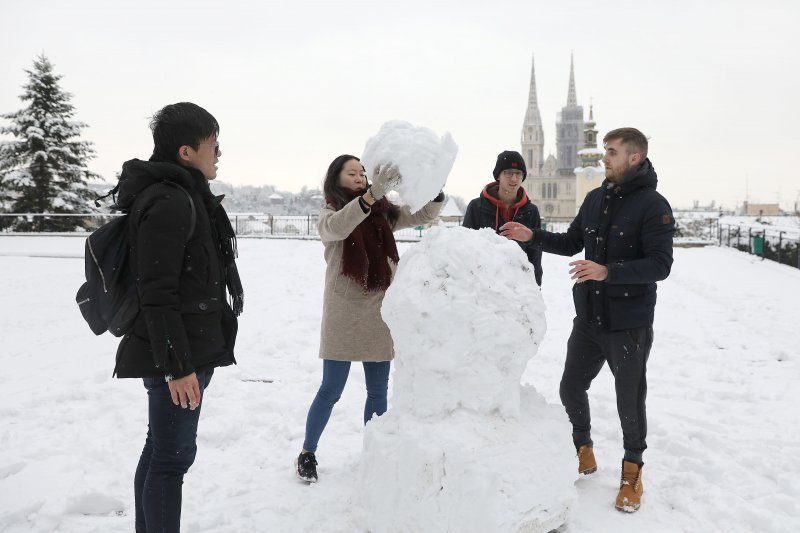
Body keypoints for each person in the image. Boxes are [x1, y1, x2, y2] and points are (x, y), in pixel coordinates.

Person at [505, 127, 673, 512]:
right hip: (589, 319)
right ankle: (583, 448)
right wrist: (533, 235)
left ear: (634, 157)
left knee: (629, 400)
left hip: (628, 323)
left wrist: (607, 271)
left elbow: (660, 265)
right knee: (570, 388)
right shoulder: (595, 198)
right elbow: (571, 242)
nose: (604, 157)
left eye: (611, 152)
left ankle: (632, 471)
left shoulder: (654, 204)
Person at [112, 102, 243, 532]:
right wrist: (178, 367)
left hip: (186, 347)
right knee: (171, 460)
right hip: (175, 354)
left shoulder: (185, 195)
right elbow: (157, 292)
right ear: (186, 151)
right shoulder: (169, 201)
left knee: (160, 451)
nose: (219, 153)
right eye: (213, 144)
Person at [295, 154, 445, 483]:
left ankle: (373, 452)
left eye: (363, 172)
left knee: (378, 392)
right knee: (330, 389)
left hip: (379, 309)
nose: (361, 176)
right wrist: (370, 196)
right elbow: (338, 228)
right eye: (353, 173)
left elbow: (416, 215)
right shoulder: (331, 212)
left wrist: (434, 190)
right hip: (344, 312)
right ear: (337, 179)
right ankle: (307, 451)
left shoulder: (381, 214)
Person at [463, 150, 543, 286]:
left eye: (518, 173)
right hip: (483, 283)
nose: (513, 178)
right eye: (508, 172)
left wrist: (535, 287)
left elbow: (534, 255)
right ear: (498, 176)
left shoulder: (531, 211)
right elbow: (465, 248)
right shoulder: (477, 207)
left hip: (517, 285)